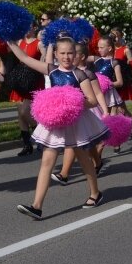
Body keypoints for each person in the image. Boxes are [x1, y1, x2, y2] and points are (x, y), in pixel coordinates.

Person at [9, 35, 108, 219]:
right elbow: (24, 59)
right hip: (55, 122)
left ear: (76, 55)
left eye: (70, 53)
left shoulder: (79, 74)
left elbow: (92, 100)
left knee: (84, 159)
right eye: (62, 53)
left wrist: (70, 101)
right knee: (46, 162)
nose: (66, 57)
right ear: (55, 53)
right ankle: (36, 206)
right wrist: (11, 41)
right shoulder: (51, 71)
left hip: (75, 122)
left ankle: (95, 193)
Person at [51, 41, 110, 185]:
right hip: (72, 112)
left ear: (81, 56)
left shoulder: (87, 73)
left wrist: (106, 111)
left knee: (79, 144)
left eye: (73, 53)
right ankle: (97, 162)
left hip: (89, 110)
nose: (69, 56)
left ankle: (64, 173)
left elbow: (97, 94)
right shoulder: (64, 71)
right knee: (83, 145)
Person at [9, 22, 43, 156]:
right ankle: (27, 145)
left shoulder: (39, 43)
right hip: (20, 79)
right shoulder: (19, 41)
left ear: (34, 28)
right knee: (20, 115)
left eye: (29, 26)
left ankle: (41, 136)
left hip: (33, 80)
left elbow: (44, 59)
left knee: (25, 112)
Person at [111, 27, 132, 138]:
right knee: (120, 108)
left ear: (120, 36)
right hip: (111, 80)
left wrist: (130, 67)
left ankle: (130, 127)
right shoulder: (110, 49)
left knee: (121, 108)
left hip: (121, 80)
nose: (114, 38)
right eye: (112, 35)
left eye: (116, 35)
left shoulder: (125, 49)